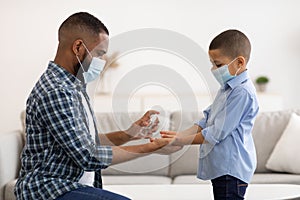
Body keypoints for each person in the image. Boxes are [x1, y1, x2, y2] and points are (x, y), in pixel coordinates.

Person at [15, 12, 181, 200]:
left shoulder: (74, 86)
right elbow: (88, 156)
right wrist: (152, 148)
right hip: (49, 189)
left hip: (71, 186)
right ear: (78, 47)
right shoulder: (57, 91)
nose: (102, 62)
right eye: (99, 54)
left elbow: (85, 142)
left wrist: (129, 134)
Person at [161, 29, 259, 199]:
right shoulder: (227, 88)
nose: (213, 69)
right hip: (222, 169)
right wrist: (179, 135)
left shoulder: (242, 92)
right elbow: (206, 119)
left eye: (218, 64)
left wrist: (181, 141)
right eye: (213, 64)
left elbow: (216, 132)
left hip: (232, 170)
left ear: (239, 63)